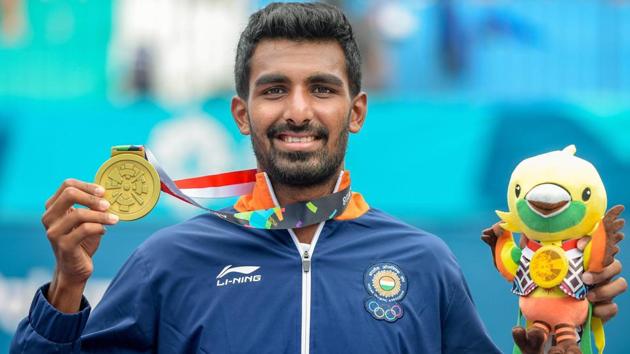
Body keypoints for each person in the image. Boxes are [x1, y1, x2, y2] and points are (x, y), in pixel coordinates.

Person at [10, 2, 625, 353]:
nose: (299, 111)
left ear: (355, 111)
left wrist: (572, 336)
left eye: (322, 90)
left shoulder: (425, 263)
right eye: (275, 89)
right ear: (242, 112)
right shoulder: (168, 261)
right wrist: (67, 287)